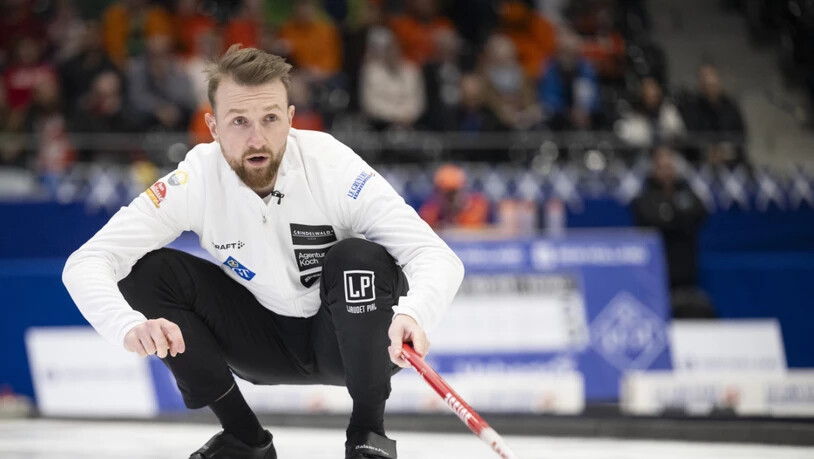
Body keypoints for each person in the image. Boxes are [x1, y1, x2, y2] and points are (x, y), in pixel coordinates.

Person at [62, 45, 464, 459]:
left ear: (290, 120)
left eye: (270, 118)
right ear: (213, 127)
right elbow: (87, 262)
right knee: (144, 271)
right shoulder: (195, 179)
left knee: (357, 257)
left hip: (352, 346)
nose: (257, 139)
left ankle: (368, 434)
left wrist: (414, 313)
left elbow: (435, 255)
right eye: (239, 121)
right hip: (260, 345)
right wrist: (127, 326)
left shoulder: (332, 165)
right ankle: (244, 438)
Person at [419, 163, 490, 229]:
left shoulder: (476, 205)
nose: (450, 198)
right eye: (445, 192)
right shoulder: (431, 211)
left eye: (453, 192)